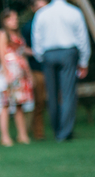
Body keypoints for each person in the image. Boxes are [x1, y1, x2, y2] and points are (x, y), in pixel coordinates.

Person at [32, 0, 90, 142]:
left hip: (48, 54)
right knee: (68, 93)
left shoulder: (41, 13)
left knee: (52, 95)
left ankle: (57, 130)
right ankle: (65, 132)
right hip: (68, 53)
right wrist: (84, 60)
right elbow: (82, 37)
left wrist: (40, 55)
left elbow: (36, 37)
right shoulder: (74, 11)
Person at [0, 9, 34, 146]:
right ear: (5, 20)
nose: (14, 21)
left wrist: (28, 73)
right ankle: (4, 136)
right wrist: (6, 74)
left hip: (20, 71)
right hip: (9, 72)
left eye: (15, 18)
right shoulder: (2, 34)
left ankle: (22, 135)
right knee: (5, 104)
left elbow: (22, 53)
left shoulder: (17, 34)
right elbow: (1, 55)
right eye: (11, 19)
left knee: (19, 104)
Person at [22, 0, 49, 140]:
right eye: (39, 7)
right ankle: (38, 132)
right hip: (37, 68)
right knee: (39, 101)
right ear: (33, 9)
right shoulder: (28, 27)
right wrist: (37, 52)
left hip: (51, 66)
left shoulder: (53, 24)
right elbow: (22, 48)